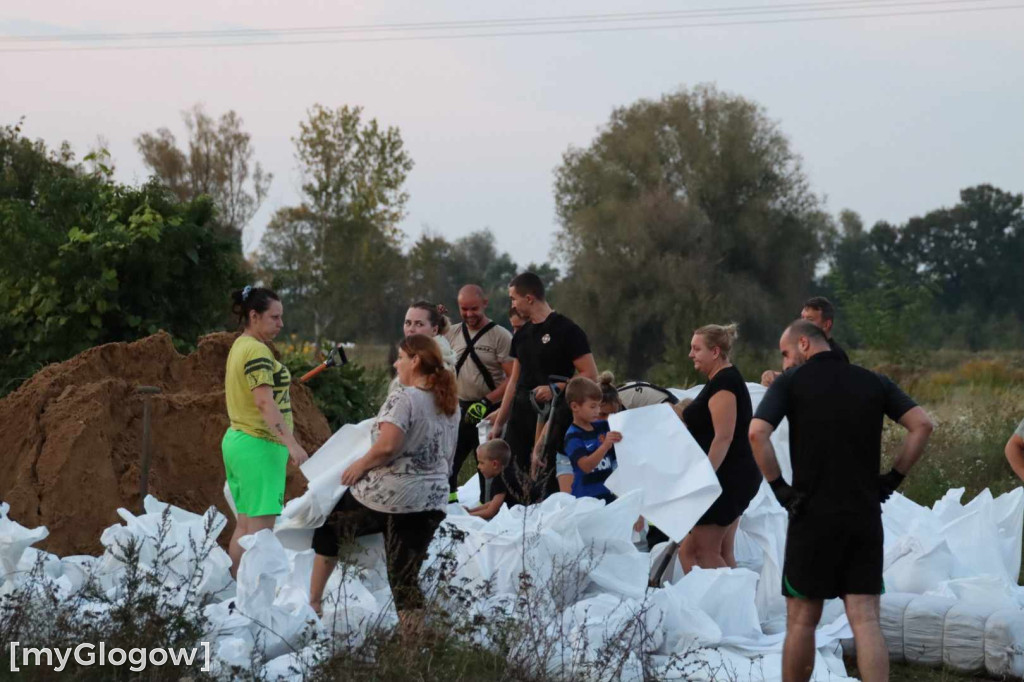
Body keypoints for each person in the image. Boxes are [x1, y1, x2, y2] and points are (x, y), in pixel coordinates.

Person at [748, 319, 933, 682]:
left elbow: (757, 433)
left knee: (802, 620)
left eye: (786, 353)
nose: (784, 363)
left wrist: (780, 489)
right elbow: (922, 424)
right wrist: (893, 478)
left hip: (810, 514)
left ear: (804, 344)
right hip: (863, 515)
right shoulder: (874, 381)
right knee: (865, 618)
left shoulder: (791, 383)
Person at [309, 335, 459, 635]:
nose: (395, 362)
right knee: (405, 577)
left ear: (415, 361)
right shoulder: (450, 403)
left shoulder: (404, 398)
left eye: (401, 357)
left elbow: (388, 446)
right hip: (432, 500)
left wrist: (358, 466)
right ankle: (413, 650)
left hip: (392, 496)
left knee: (329, 530)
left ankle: (313, 603)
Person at [488, 272, 598, 505]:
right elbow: (514, 381)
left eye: (513, 298)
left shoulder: (567, 330)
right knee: (514, 479)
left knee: (545, 481)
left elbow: (590, 375)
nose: (512, 304)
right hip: (520, 417)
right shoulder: (521, 335)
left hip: (553, 418)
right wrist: (499, 424)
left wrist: (557, 387)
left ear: (529, 298)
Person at [222, 286, 309, 578]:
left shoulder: (240, 345)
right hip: (259, 446)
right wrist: (292, 444)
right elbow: (263, 401)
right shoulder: (257, 350)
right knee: (259, 535)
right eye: (275, 317)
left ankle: (235, 592)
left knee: (245, 527)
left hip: (238, 442)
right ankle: (252, 600)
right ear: (254, 316)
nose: (281, 324)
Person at [679, 324, 762, 571]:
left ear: (715, 352)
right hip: (735, 475)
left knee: (698, 552)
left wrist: (704, 478)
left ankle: (717, 608)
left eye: (696, 349)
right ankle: (735, 606)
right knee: (718, 550)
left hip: (726, 478)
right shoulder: (722, 379)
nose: (690, 354)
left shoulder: (724, 383)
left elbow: (723, 437)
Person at [444, 285, 514, 502]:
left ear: (485, 303)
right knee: (449, 462)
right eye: (463, 309)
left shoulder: (500, 336)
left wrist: (487, 401)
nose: (469, 314)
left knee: (486, 465)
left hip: (489, 412)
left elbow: (512, 378)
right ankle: (450, 506)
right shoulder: (452, 333)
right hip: (460, 409)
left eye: (474, 308)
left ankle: (488, 507)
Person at [555, 371, 621, 493]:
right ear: (575, 407)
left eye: (599, 406)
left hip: (608, 497)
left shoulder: (603, 426)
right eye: (593, 406)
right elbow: (586, 466)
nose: (597, 411)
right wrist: (605, 445)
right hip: (586, 502)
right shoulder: (572, 436)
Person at [762, 296, 849, 387]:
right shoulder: (799, 350)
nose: (802, 324)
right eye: (802, 318)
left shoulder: (836, 355)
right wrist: (772, 376)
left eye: (810, 320)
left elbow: (817, 383)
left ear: (826, 325)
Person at [465, 439, 511, 520]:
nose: (478, 466)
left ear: (494, 464)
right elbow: (493, 503)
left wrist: (466, 517)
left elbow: (491, 512)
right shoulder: (505, 474)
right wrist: (470, 511)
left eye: (481, 463)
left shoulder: (501, 480)